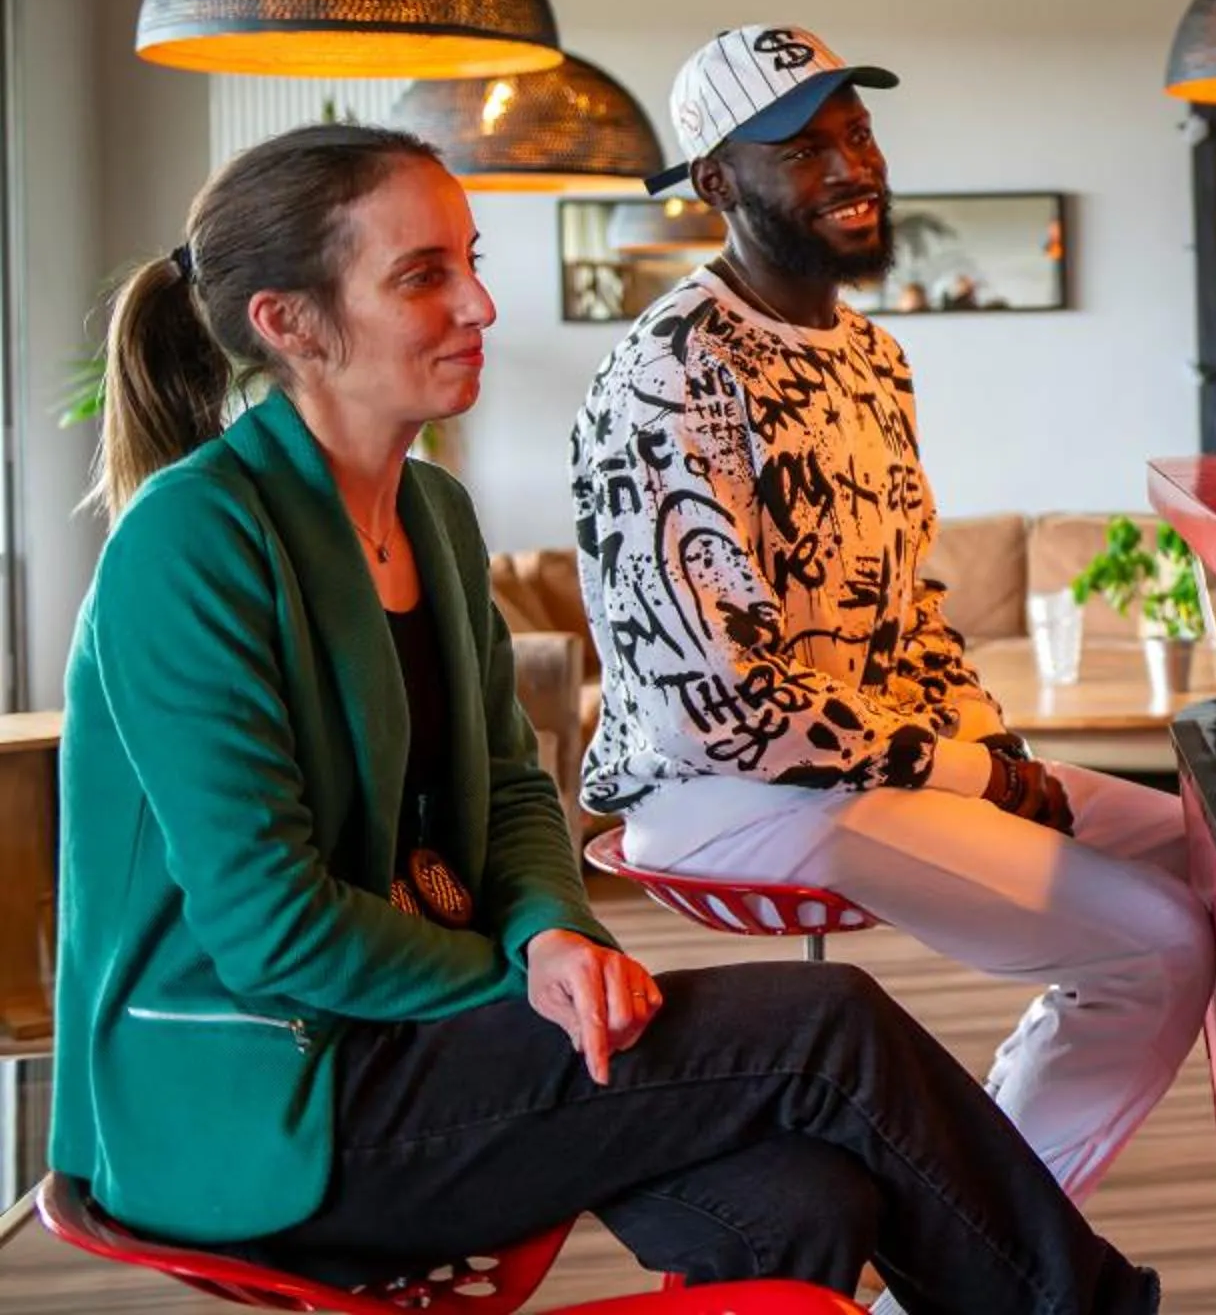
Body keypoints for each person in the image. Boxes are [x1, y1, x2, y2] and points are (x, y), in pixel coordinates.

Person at [53, 124, 1154, 1312]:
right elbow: (269, 925)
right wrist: (528, 971)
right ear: (289, 322)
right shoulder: (191, 538)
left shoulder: (431, 510)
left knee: (805, 1197)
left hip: (422, 1041)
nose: (478, 302)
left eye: (470, 259)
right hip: (265, 1103)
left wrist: (549, 937)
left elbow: (519, 792)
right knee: (824, 1020)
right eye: (423, 274)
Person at [572, 27, 1215, 1196]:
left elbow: (904, 608)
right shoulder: (675, 367)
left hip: (869, 770)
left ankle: (978, 1232)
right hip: (719, 790)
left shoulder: (871, 354)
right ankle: (985, 1260)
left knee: (1205, 849)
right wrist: (974, 779)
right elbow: (719, 704)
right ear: (718, 181)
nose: (850, 165)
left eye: (856, 131)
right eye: (802, 147)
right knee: (1156, 945)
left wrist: (987, 747)